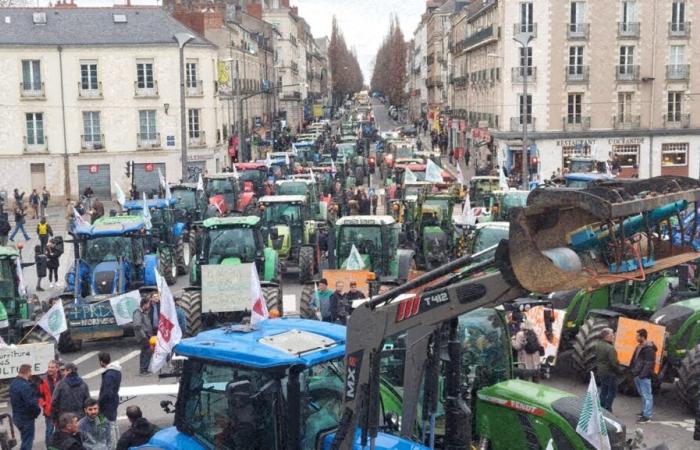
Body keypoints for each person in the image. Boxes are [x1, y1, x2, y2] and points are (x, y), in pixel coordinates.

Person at [10, 364, 41, 450]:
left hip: (17, 417)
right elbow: (32, 403)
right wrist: (37, 412)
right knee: (27, 441)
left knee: (24, 439)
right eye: (30, 372)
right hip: (26, 418)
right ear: (27, 372)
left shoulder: (13, 383)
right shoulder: (25, 386)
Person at [630, 328, 657, 423]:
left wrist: (642, 375)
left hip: (643, 376)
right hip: (638, 374)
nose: (636, 337)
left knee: (647, 395)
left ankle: (647, 416)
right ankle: (645, 411)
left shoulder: (649, 349)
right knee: (643, 394)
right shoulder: (639, 346)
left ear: (642, 337)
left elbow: (649, 363)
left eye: (637, 336)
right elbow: (635, 360)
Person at [595, 328, 623, 412]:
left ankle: (601, 407)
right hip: (609, 372)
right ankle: (608, 409)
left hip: (601, 370)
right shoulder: (610, 348)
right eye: (612, 335)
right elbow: (613, 363)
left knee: (603, 390)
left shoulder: (598, 344)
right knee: (612, 391)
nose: (613, 336)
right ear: (606, 336)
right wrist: (619, 371)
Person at [38, 360, 62, 446]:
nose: (50, 369)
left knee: (61, 431)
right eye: (49, 367)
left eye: (52, 367)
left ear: (57, 368)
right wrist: (43, 404)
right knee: (49, 431)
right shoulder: (43, 380)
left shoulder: (63, 378)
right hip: (49, 411)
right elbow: (39, 395)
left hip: (61, 410)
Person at [97, 352, 121, 429]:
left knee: (101, 425)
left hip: (106, 404)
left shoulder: (108, 374)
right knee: (112, 422)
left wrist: (99, 402)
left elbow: (106, 392)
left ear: (101, 362)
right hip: (113, 400)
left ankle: (103, 439)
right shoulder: (117, 371)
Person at [133, 297, 154, 375]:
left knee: (145, 352)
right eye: (148, 303)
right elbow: (137, 325)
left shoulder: (144, 312)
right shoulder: (138, 312)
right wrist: (144, 336)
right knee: (147, 352)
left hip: (147, 335)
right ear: (144, 304)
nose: (149, 305)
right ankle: (144, 370)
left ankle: (143, 369)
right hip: (143, 337)